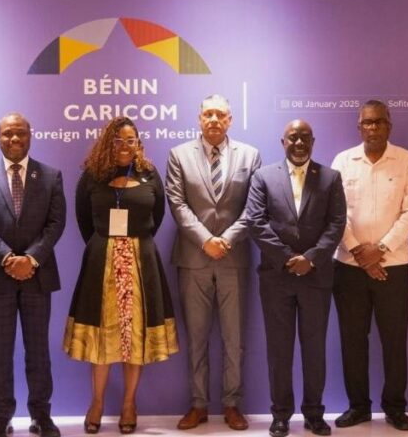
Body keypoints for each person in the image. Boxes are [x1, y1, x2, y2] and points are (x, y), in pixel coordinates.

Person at [63, 116, 179, 435]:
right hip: (101, 264)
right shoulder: (92, 176)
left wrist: (132, 243)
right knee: (103, 336)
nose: (124, 146)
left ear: (138, 143)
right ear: (107, 143)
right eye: (118, 141)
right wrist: (107, 246)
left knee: (134, 337)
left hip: (141, 264)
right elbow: (84, 220)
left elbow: (157, 216)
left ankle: (129, 404)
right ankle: (97, 403)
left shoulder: (149, 174)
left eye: (130, 140)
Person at [0, 113, 67, 437]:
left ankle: (41, 415)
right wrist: (8, 258)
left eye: (20, 133)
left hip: (38, 278)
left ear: (30, 135)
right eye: (7, 134)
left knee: (38, 351)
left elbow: (56, 224)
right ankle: (2, 417)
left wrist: (31, 259)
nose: (14, 139)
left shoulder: (51, 176)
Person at [165, 94, 260, 431]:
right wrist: (206, 240)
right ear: (199, 118)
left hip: (234, 259)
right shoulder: (179, 155)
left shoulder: (250, 156)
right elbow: (177, 204)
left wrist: (227, 240)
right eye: (208, 114)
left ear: (230, 120)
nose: (214, 120)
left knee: (234, 338)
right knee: (197, 337)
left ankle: (232, 404)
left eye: (221, 115)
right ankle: (198, 405)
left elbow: (253, 207)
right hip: (194, 259)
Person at [246, 119, 347, 437]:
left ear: (313, 141)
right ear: (283, 142)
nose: (299, 143)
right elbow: (256, 221)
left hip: (316, 277)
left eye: (305, 137)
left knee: (314, 349)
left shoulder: (330, 177)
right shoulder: (263, 177)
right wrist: (289, 258)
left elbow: (337, 223)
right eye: (293, 137)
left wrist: (311, 259)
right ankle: (280, 415)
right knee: (279, 349)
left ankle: (314, 414)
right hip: (277, 277)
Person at [330, 100, 408, 432]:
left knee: (394, 341)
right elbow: (335, 213)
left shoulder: (407, 160)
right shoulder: (343, 161)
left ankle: (395, 408)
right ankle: (358, 407)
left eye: (379, 122)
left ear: (389, 126)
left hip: (393, 266)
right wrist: (358, 251)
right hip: (349, 267)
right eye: (367, 123)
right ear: (359, 127)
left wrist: (379, 250)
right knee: (353, 340)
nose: (373, 128)